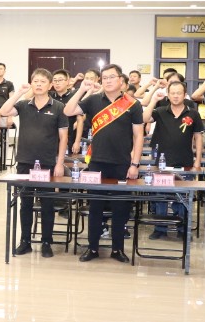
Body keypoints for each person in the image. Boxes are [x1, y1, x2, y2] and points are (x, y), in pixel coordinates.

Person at [64, 65, 143, 264]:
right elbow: (68, 110)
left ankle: (117, 249)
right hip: (97, 162)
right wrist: (82, 89)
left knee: (120, 209)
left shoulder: (132, 104)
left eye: (111, 77)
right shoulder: (93, 100)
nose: (107, 80)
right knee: (95, 208)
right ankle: (92, 248)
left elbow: (138, 136)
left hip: (122, 164)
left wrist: (135, 164)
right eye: (104, 77)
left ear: (121, 80)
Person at [0, 68, 68, 258]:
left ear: (50, 85)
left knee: (47, 204)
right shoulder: (23, 105)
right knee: (25, 203)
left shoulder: (58, 107)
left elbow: (63, 137)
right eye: (35, 81)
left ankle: (46, 242)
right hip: (25, 161)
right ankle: (25, 241)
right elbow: (4, 111)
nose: (38, 84)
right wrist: (19, 93)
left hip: (47, 162)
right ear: (31, 84)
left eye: (42, 81)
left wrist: (59, 163)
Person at [142, 81, 203, 239]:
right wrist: (154, 100)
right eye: (173, 93)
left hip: (185, 162)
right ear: (168, 95)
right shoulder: (161, 111)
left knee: (183, 198)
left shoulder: (193, 113)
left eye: (179, 93)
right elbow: (144, 118)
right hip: (163, 162)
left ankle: (182, 229)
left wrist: (197, 161)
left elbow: (198, 137)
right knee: (161, 197)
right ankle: (160, 228)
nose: (176, 96)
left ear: (185, 95)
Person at [49, 70, 83, 154]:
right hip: (50, 138)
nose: (57, 83)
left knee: (67, 160)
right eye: (55, 80)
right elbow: (28, 96)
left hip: (69, 137)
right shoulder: (49, 96)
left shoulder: (73, 97)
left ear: (67, 82)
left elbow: (80, 121)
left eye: (60, 80)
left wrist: (77, 142)